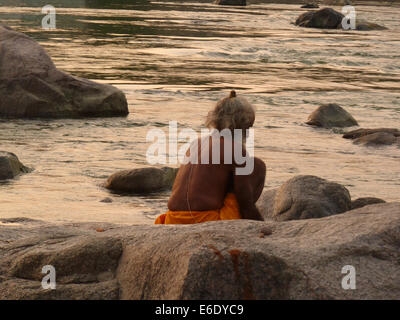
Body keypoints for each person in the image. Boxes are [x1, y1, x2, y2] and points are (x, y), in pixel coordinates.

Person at [154, 90, 266, 224]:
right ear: (239, 125)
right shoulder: (236, 149)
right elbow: (245, 205)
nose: (248, 134)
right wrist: (262, 227)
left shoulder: (196, 143)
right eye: (248, 128)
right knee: (257, 165)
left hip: (171, 218)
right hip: (203, 220)